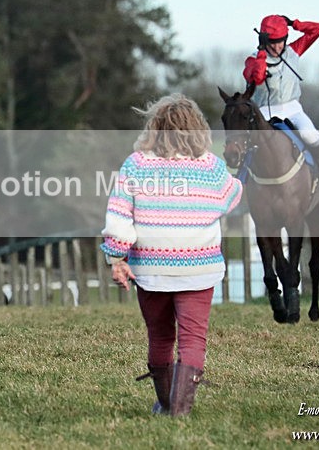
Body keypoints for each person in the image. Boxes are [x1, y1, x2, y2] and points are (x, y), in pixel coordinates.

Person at [100, 94, 242, 416]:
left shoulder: (136, 164)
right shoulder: (211, 167)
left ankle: (165, 403)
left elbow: (119, 216)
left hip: (150, 270)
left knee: (160, 336)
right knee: (193, 339)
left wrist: (117, 258)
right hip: (199, 268)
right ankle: (180, 410)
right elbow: (231, 197)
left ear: (155, 127)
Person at [242, 14, 319, 184]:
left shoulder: (293, 51)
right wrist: (262, 55)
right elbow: (256, 78)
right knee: (251, 141)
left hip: (292, 108)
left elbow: (318, 29)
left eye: (281, 41)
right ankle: (242, 177)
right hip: (264, 111)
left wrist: (294, 24)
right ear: (264, 40)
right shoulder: (252, 59)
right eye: (273, 42)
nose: (278, 46)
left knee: (311, 135)